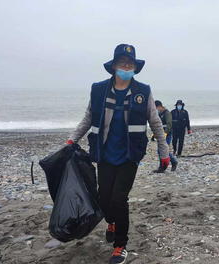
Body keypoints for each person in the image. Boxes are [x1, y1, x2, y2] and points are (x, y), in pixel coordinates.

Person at [67, 44, 170, 264]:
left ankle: (120, 246)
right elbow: (88, 118)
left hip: (129, 155)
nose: (126, 66)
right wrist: (71, 140)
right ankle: (111, 222)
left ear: (135, 67)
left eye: (130, 63)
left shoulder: (143, 91)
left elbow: (155, 121)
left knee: (119, 199)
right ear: (114, 66)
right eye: (122, 62)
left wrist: (164, 150)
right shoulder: (99, 89)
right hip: (104, 153)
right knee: (104, 198)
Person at [153, 100, 178, 172]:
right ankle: (162, 166)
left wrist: (165, 133)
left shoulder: (167, 113)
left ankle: (171, 162)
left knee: (163, 150)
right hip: (160, 134)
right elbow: (158, 124)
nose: (156, 110)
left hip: (167, 134)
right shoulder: (159, 114)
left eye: (156, 108)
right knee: (160, 150)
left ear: (160, 106)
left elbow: (169, 124)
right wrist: (154, 134)